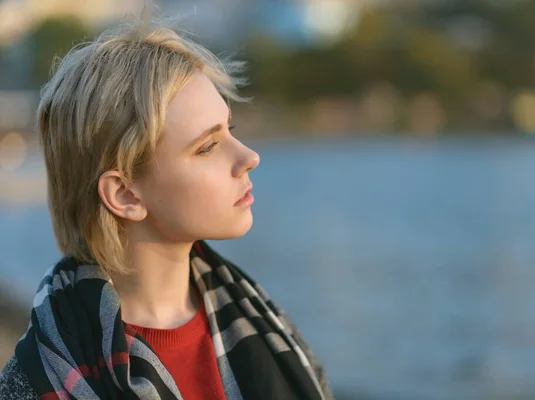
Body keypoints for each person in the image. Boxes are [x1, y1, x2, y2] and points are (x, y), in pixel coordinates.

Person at [0, 10, 334, 400]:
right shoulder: (34, 384)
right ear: (125, 194)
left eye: (231, 130)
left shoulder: (264, 326)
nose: (249, 156)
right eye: (208, 147)